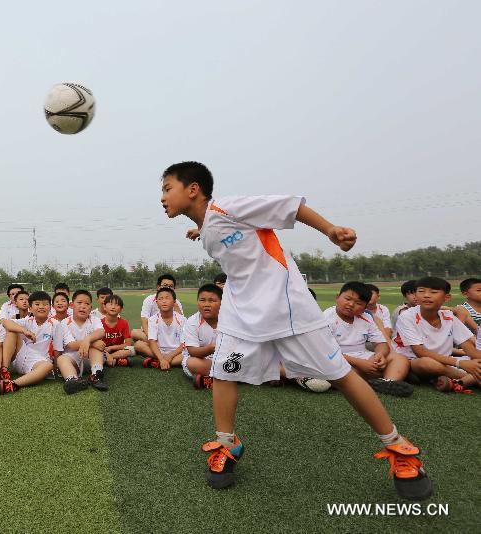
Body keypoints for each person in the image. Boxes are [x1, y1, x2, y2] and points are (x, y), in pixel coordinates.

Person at [162, 160, 431, 499]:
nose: (162, 197)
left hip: (287, 309)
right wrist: (200, 230)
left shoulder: (229, 206)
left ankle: (398, 448)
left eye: (166, 188)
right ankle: (227, 444)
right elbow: (225, 236)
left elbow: (290, 205)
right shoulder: (208, 223)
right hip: (241, 315)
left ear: (193, 189)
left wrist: (330, 230)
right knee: (223, 374)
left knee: (341, 375)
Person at [324, 282, 412, 397]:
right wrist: (360, 363)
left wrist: (380, 355)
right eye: (348, 299)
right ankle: (378, 377)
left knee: (399, 359)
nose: (351, 304)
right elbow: (325, 351)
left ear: (365, 307)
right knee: (339, 372)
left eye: (358, 303)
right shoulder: (326, 318)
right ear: (337, 297)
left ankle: (387, 382)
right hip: (336, 358)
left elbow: (381, 343)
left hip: (363, 356)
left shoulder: (366, 317)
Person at [394, 277, 480, 393]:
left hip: (446, 362)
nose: (426, 295)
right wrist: (460, 363)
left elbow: (468, 346)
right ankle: (468, 379)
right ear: (416, 295)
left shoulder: (448, 316)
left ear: (447, 298)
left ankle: (460, 381)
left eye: (433, 292)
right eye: (421, 291)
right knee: (427, 363)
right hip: (414, 362)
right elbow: (420, 352)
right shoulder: (407, 316)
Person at [0, 291, 61, 395]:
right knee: (12, 330)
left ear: (50, 308)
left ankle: (12, 384)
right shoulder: (27, 321)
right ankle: (4, 370)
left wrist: (58, 368)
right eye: (37, 304)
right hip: (22, 355)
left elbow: (57, 349)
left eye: (45, 304)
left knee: (48, 366)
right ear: (30, 308)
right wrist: (24, 330)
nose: (41, 307)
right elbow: (5, 322)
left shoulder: (55, 324)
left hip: (39, 362)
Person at [54, 290, 107, 393]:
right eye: (79, 303)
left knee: (95, 348)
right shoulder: (64, 323)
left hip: (90, 358)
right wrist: (92, 342)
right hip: (73, 358)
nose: (83, 306)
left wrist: (88, 340)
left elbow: (101, 332)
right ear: (72, 305)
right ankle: (73, 379)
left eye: (87, 304)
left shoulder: (94, 319)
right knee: (61, 359)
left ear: (90, 308)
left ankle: (96, 375)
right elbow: (71, 345)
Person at [134, 287, 186, 370]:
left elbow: (184, 344)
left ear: (174, 302)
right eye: (160, 299)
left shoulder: (182, 319)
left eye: (167, 298)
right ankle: (164, 362)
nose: (164, 301)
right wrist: (161, 358)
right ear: (157, 302)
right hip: (159, 351)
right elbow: (152, 341)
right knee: (138, 345)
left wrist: (170, 356)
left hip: (177, 353)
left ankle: (157, 362)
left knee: (190, 352)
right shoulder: (153, 319)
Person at [181, 284, 221, 389]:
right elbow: (193, 351)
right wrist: (211, 348)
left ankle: (210, 380)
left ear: (222, 303)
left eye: (212, 301)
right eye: (202, 300)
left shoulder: (229, 320)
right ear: (197, 302)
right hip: (202, 360)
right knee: (191, 363)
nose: (206, 304)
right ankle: (232, 378)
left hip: (226, 359)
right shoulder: (192, 322)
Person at [100, 294, 134, 367]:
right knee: (95, 351)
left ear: (121, 309)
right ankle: (116, 359)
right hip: (103, 350)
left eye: (117, 305)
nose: (113, 307)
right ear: (104, 307)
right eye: (110, 304)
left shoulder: (124, 323)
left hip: (117, 350)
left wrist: (111, 348)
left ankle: (110, 358)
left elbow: (128, 343)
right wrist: (106, 351)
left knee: (131, 350)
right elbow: (96, 344)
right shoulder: (99, 323)